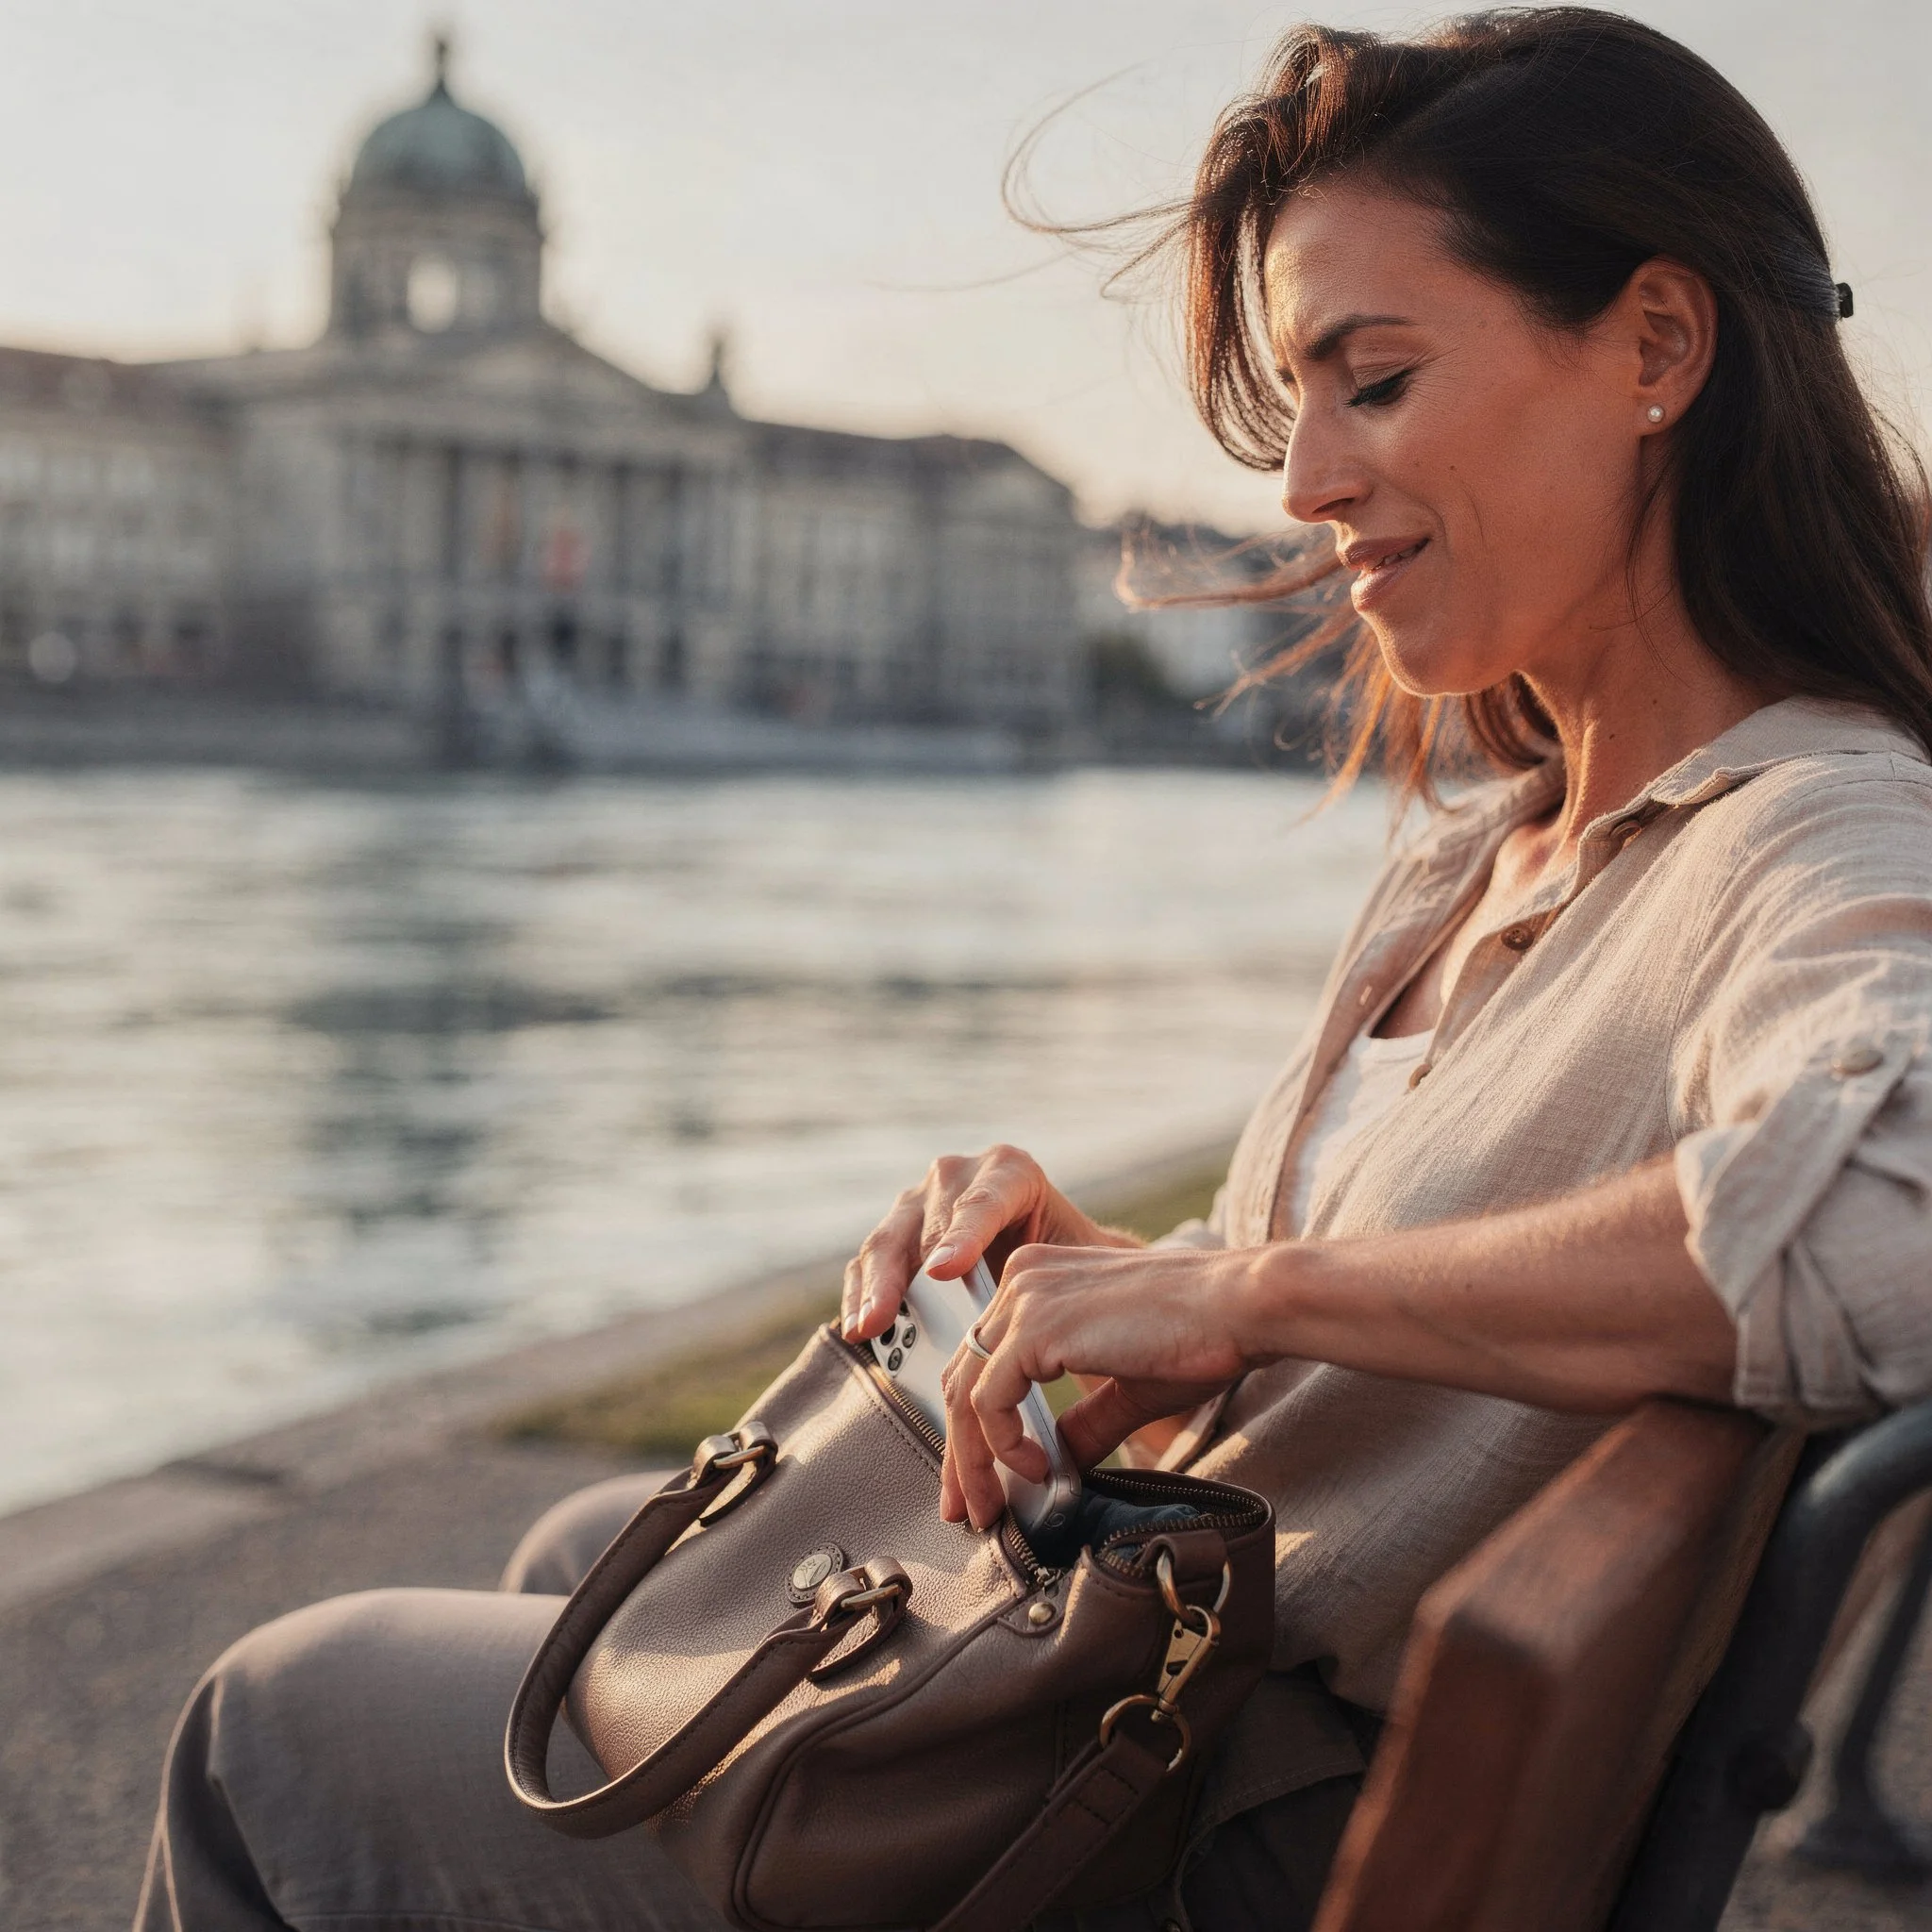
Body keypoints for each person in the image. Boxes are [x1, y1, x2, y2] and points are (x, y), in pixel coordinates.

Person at [137, 10, 1932, 1930]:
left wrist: (1249, 1285)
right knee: (610, 1552)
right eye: (1292, 407)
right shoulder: (1500, 834)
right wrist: (1120, 1294)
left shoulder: (1809, 828)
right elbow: (1420, 1343)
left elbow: (1900, 1215)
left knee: (277, 1718)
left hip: (1185, 1825)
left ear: (1656, 347)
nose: (1307, 482)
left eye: (1374, 380)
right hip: (1184, 1721)